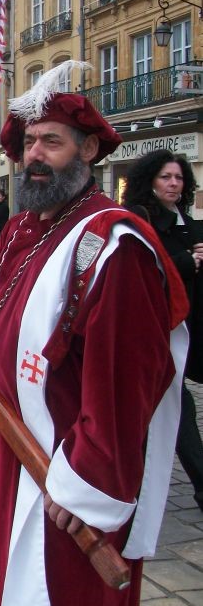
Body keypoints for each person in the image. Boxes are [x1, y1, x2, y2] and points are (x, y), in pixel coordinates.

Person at [0, 62, 189, 606]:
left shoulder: (113, 245)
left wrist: (89, 485)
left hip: (60, 475)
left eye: (52, 141)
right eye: (27, 144)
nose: (35, 155)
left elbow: (130, 381)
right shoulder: (23, 230)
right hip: (0, 446)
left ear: (89, 148)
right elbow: (1, 317)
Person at [124, 150, 203, 512]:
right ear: (149, 181)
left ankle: (125, 484)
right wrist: (189, 260)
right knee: (173, 405)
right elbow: (142, 274)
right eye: (165, 177)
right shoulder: (141, 222)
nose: (173, 184)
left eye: (178, 178)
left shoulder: (191, 222)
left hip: (189, 327)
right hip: (155, 331)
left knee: (164, 407)